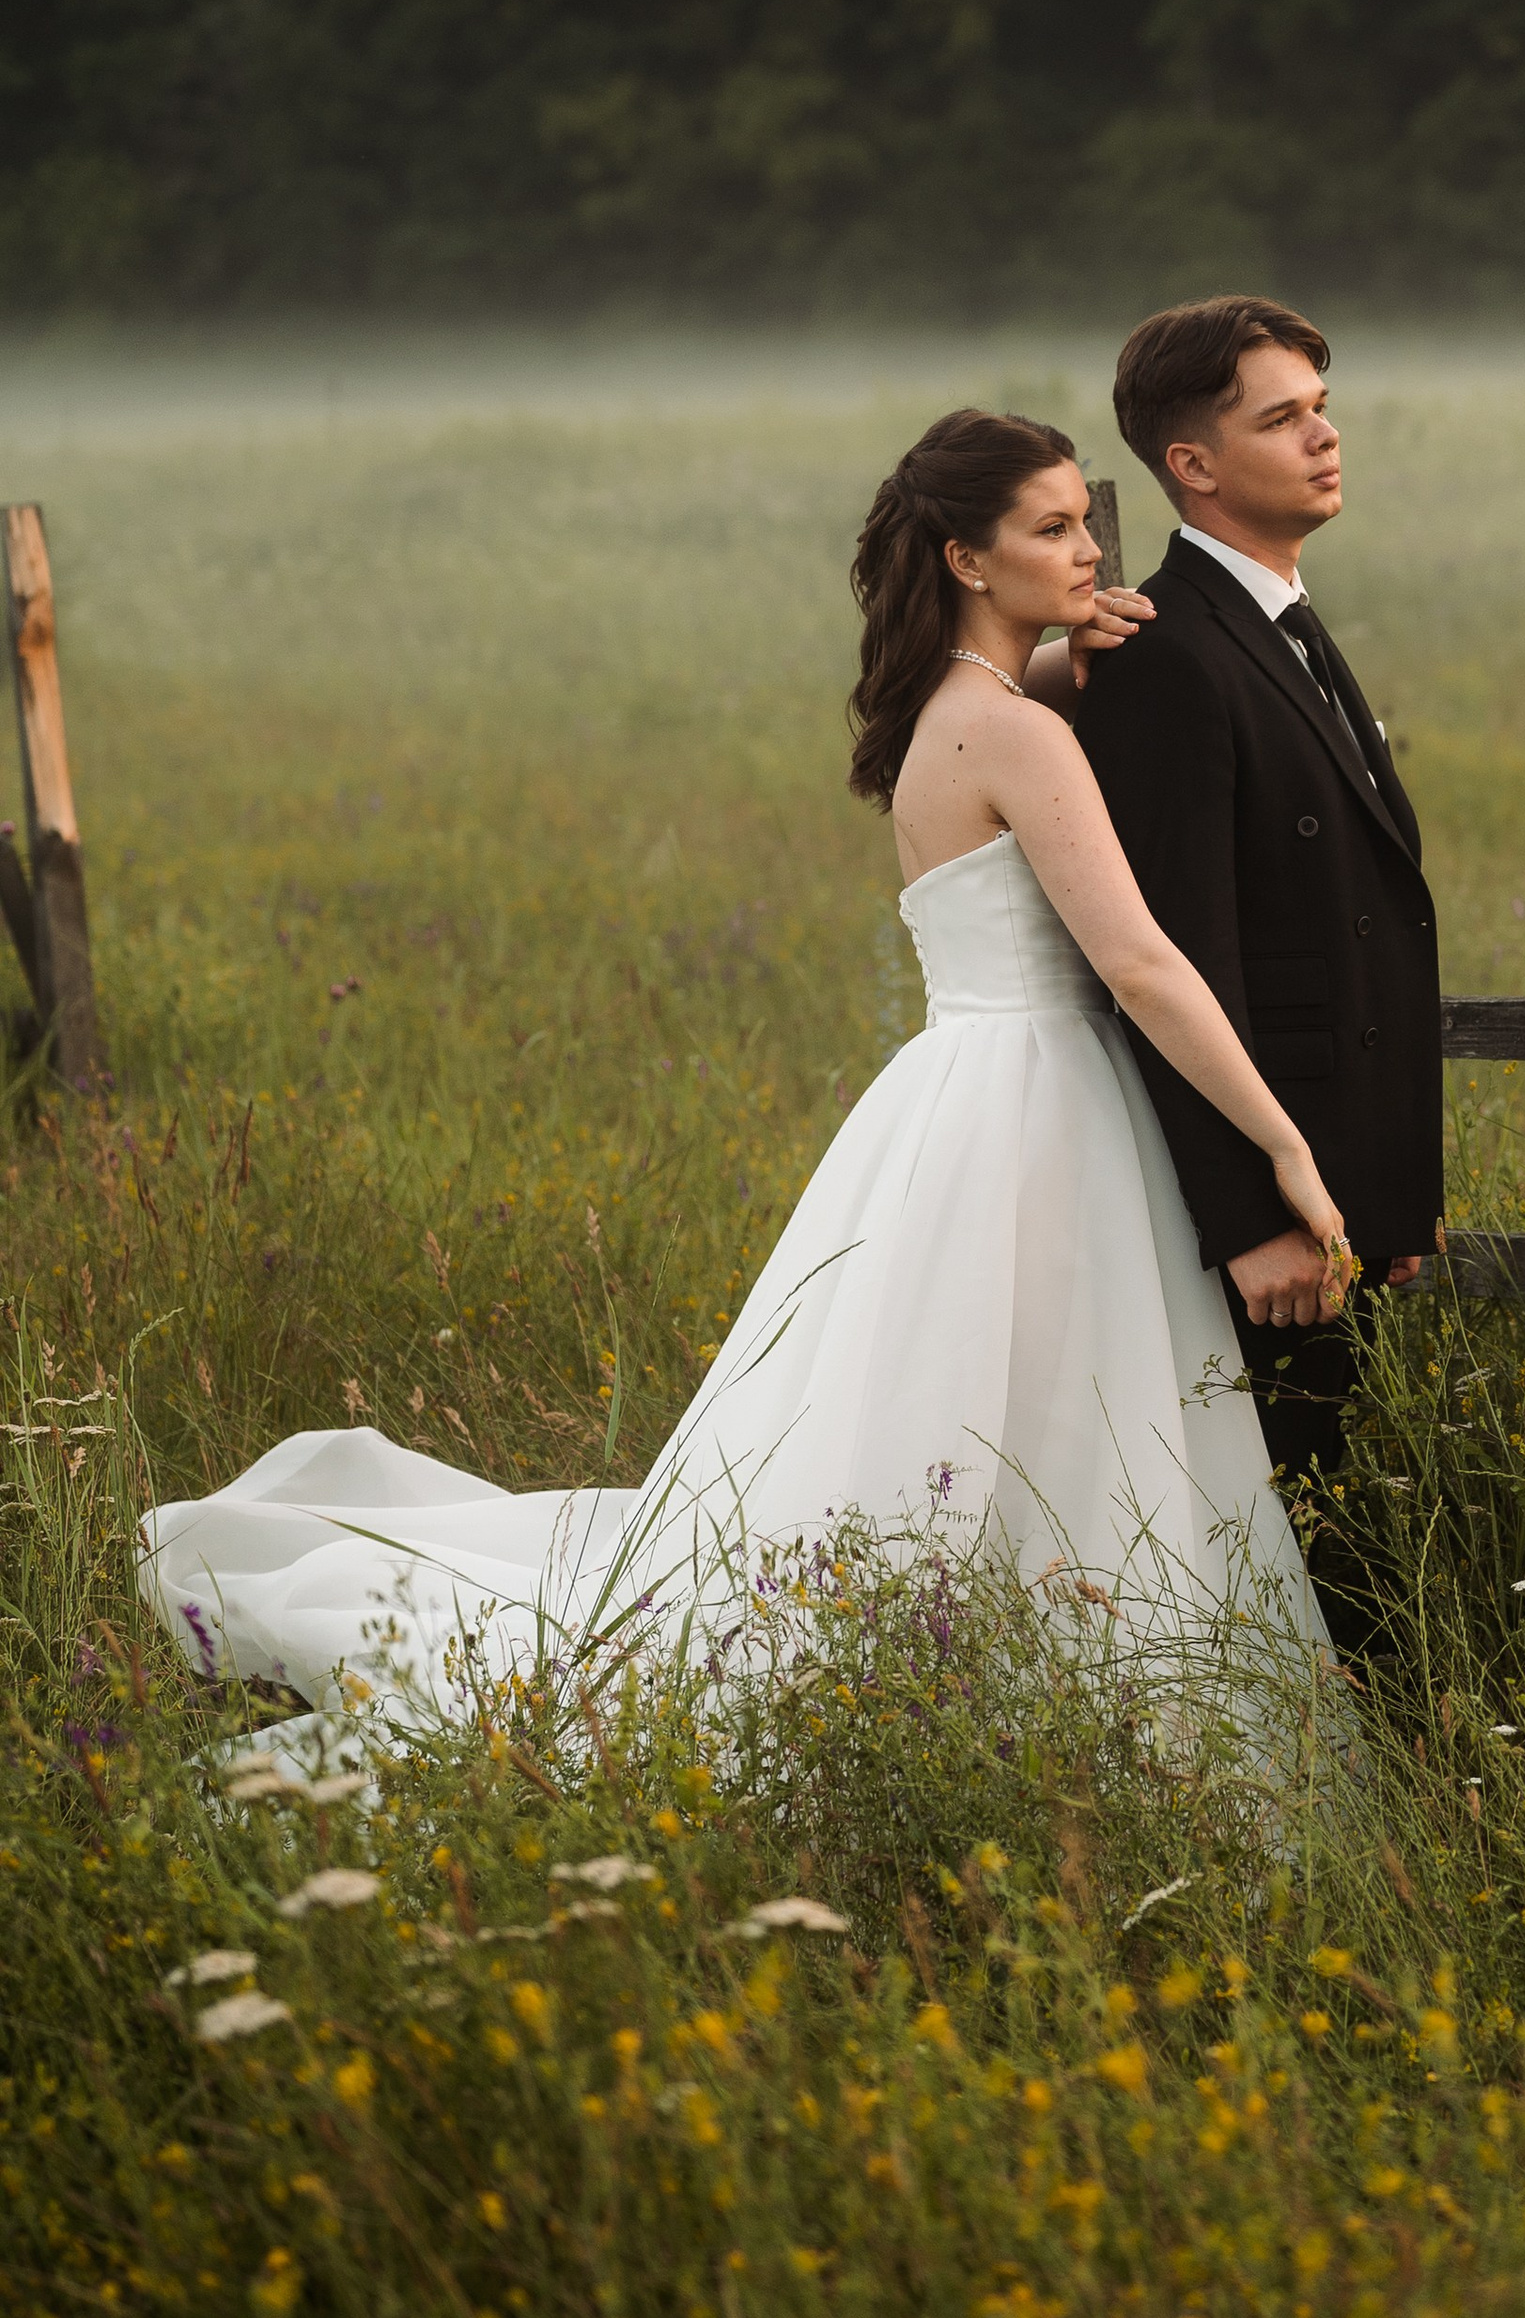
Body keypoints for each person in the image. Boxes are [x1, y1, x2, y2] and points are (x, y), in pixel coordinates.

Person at [140, 410, 1346, 1731]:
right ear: (966, 559)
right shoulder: (1019, 734)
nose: (1089, 551)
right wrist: (1282, 1144)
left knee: (968, 1412)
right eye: (1051, 529)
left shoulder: (953, 715)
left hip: (962, 1094)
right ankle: (1057, 1697)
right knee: (1060, 1405)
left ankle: (986, 1689)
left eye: (1082, 524)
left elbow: (1025, 736)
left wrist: (1063, 660)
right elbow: (1142, 964)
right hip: (1044, 1100)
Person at [1074, 298, 1443, 1660]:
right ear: (1193, 464)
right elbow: (1177, 958)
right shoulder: (1166, 653)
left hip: (1337, 1179)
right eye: (1281, 418)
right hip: (1266, 1215)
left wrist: (1389, 1188)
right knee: (1294, 1532)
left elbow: (1351, 928)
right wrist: (1250, 1218)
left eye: (1320, 407)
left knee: (1336, 1506)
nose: (1324, 436)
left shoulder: (1278, 616)